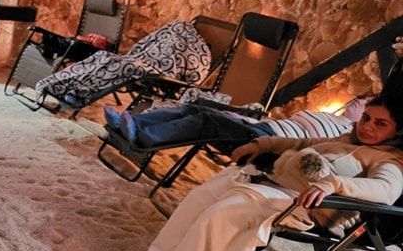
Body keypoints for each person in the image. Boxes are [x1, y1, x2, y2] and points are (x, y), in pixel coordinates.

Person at [124, 95, 403, 251]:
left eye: (380, 124)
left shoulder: (389, 160)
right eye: (366, 118)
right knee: (203, 196)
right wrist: (261, 145)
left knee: (225, 212)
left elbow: (385, 190)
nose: (367, 127)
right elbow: (301, 144)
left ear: (397, 131)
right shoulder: (347, 139)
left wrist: (334, 183)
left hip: (304, 205)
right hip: (277, 183)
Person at [103, 101, 359, 148]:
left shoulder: (347, 133)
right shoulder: (327, 114)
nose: (359, 101)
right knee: (195, 107)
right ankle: (133, 121)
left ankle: (145, 137)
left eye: (365, 103)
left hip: (269, 141)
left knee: (207, 121)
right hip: (266, 126)